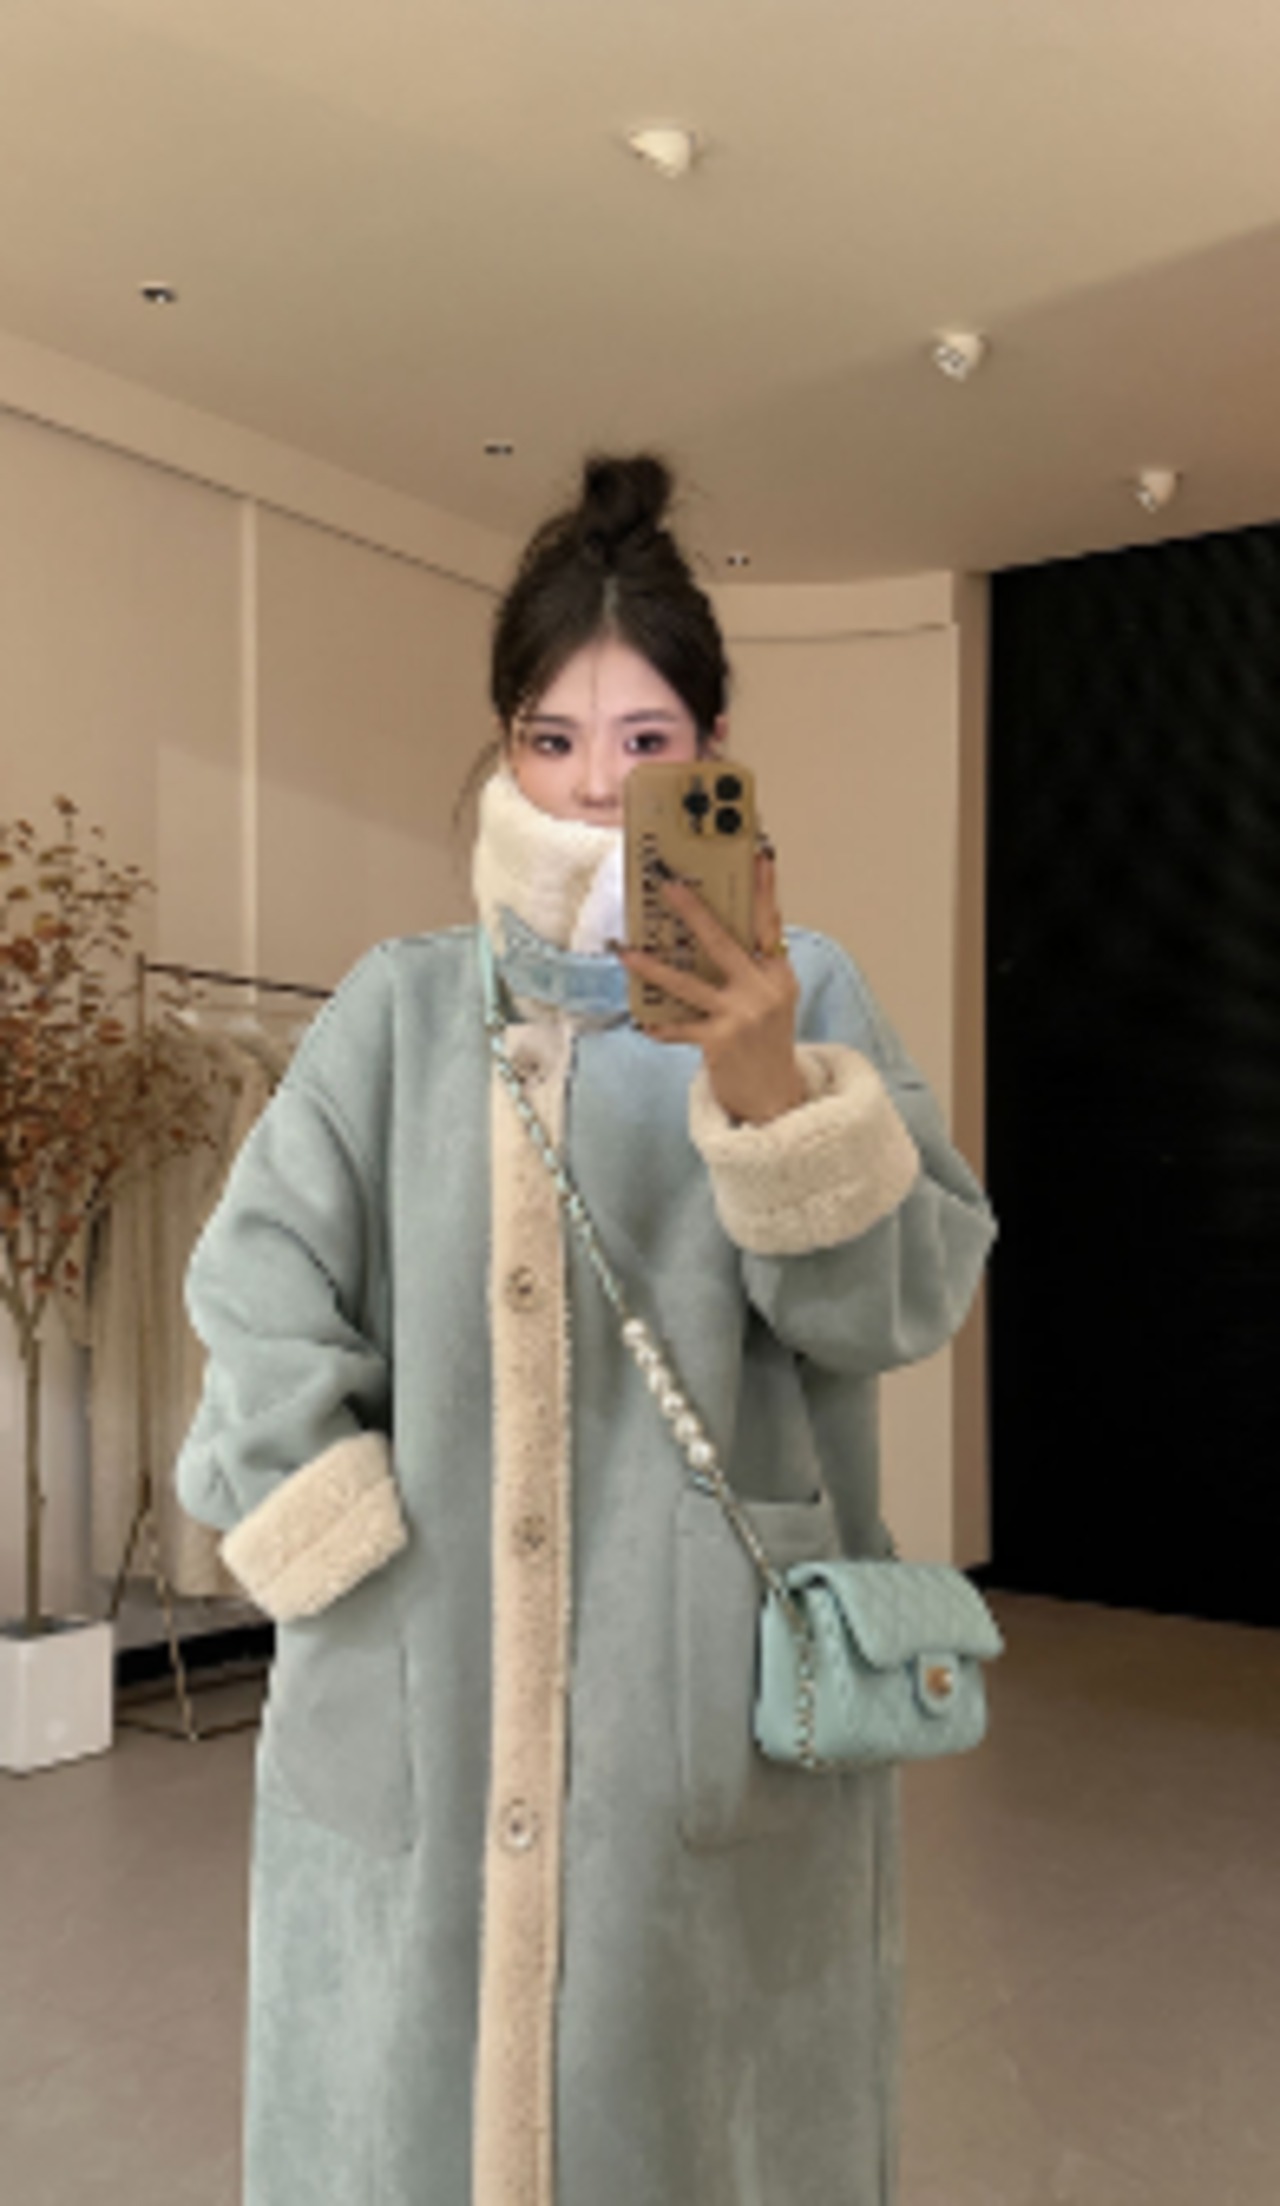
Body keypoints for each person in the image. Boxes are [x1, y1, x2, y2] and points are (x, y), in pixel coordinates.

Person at [175, 452, 997, 2206]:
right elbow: (252, 1282)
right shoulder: (400, 1013)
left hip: (702, 1720)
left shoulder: (812, 993)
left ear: (712, 751)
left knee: (692, 2123)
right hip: (424, 1684)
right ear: (504, 747)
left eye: (645, 739)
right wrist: (341, 1544)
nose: (597, 784)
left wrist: (770, 1090)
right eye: (553, 737)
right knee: (407, 2109)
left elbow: (905, 1299)